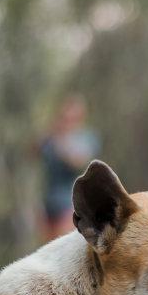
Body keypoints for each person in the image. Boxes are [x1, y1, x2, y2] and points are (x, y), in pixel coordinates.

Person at [38, 95, 100, 241]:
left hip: (71, 203)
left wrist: (61, 140)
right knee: (49, 252)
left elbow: (77, 161)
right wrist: (49, 133)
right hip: (48, 203)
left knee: (63, 246)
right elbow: (33, 151)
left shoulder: (87, 137)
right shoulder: (51, 138)